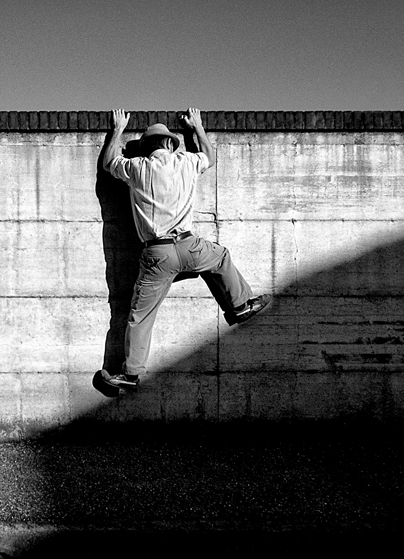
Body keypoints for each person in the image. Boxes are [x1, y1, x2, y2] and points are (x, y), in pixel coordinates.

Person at [95, 108, 272, 395]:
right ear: (168, 144)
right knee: (220, 257)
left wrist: (117, 129)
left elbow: (109, 163)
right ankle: (239, 306)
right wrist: (197, 127)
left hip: (158, 255)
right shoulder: (187, 161)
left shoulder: (137, 167)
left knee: (140, 317)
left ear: (147, 147)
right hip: (191, 248)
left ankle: (130, 375)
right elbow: (210, 157)